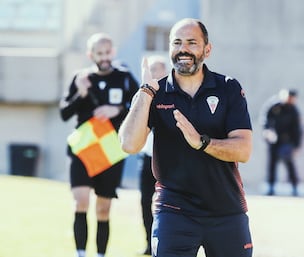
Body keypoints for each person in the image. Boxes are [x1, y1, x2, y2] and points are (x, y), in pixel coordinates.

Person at [119, 18, 253, 257]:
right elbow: (128, 144)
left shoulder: (228, 88)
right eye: (177, 42)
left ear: (207, 49)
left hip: (226, 210)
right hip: (174, 211)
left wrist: (202, 142)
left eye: (192, 43)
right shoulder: (155, 93)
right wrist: (145, 92)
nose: (184, 49)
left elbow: (243, 150)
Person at [59, 33, 138, 257]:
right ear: (90, 55)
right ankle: (80, 253)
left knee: (103, 208)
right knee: (81, 201)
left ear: (113, 51)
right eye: (99, 54)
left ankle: (100, 254)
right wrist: (81, 93)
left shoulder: (124, 78)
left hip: (111, 151)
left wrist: (118, 109)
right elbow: (64, 113)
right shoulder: (81, 78)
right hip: (83, 149)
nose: (103, 58)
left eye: (107, 53)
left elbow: (140, 106)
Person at [138, 56, 168, 255]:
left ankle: (163, 241)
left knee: (165, 202)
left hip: (165, 159)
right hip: (146, 157)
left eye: (160, 69)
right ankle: (149, 242)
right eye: (153, 69)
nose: (156, 73)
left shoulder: (170, 95)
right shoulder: (144, 95)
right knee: (144, 201)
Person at [262, 89, 302, 196]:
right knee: (272, 165)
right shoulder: (274, 107)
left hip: (286, 142)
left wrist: (296, 146)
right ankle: (271, 187)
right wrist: (267, 131)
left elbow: (297, 129)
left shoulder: (294, 110)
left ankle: (294, 188)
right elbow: (266, 121)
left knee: (289, 164)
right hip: (274, 141)